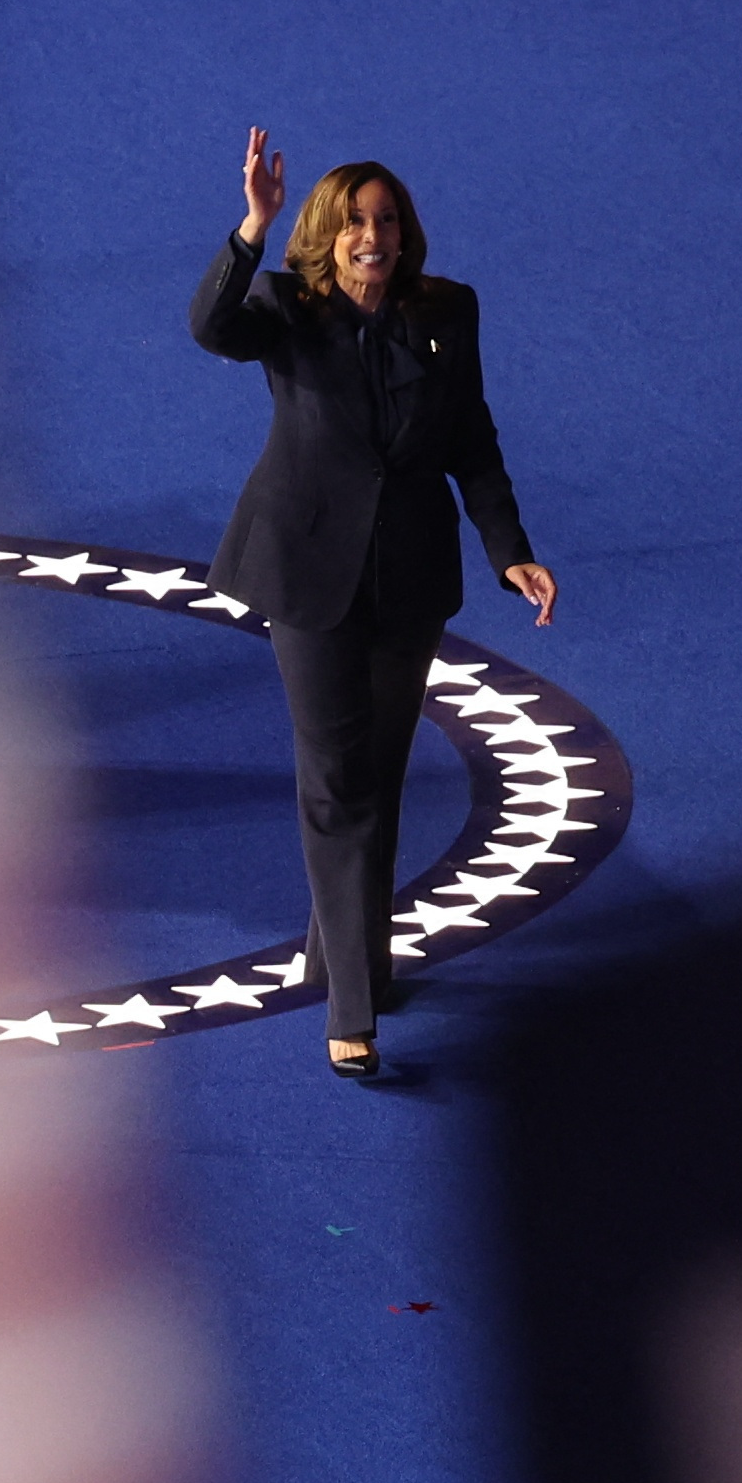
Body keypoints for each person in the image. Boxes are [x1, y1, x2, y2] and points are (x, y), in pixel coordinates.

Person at [194, 130, 551, 1084]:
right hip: (305, 573)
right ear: (325, 231)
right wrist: (251, 229)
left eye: (386, 221)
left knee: (377, 779)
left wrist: (509, 549)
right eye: (354, 222)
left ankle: (341, 951)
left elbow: (471, 439)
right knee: (334, 783)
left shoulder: (447, 312)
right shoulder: (284, 307)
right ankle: (352, 1006)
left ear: (407, 232)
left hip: (408, 579)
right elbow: (208, 328)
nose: (371, 237)